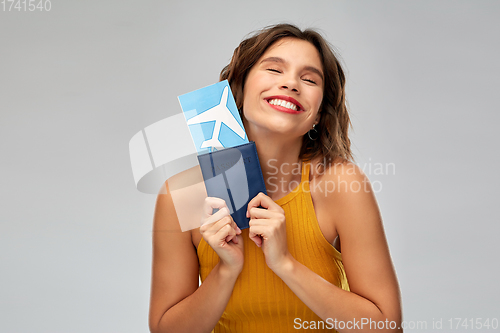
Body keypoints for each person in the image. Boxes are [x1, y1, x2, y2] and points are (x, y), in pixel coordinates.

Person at [148, 24, 402, 333]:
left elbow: (386, 327)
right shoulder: (179, 195)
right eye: (274, 70)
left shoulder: (342, 185)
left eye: (309, 79)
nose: (291, 84)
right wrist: (226, 271)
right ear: (238, 91)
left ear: (319, 113)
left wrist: (284, 264)